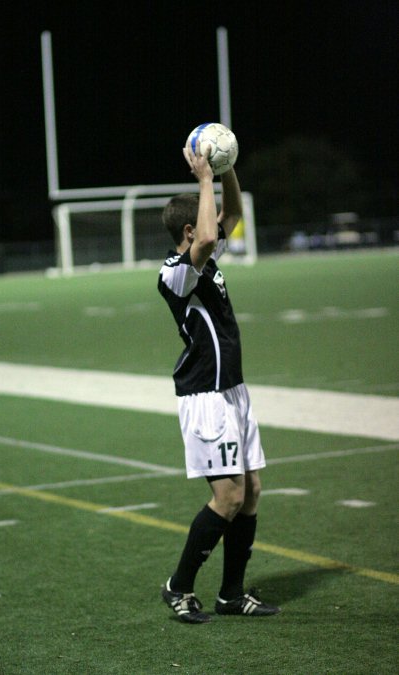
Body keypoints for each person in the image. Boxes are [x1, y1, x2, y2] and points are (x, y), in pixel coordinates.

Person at [157, 139, 280, 624]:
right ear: (188, 230)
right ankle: (178, 586)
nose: (213, 231)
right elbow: (208, 238)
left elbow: (230, 216)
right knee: (227, 496)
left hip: (234, 391)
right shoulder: (175, 274)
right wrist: (204, 179)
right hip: (204, 395)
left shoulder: (204, 259)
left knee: (250, 490)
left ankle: (231, 594)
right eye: (202, 227)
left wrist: (226, 169)